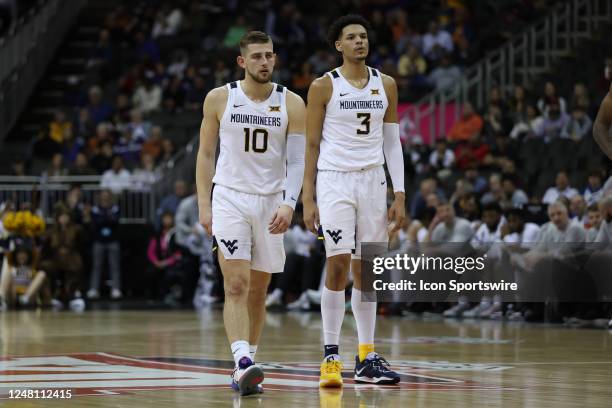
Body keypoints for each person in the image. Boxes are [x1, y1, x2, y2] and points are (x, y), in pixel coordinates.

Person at [195, 31, 305, 396]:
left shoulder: (292, 102)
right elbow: (206, 154)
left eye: (269, 56)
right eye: (256, 56)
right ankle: (241, 359)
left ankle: (247, 365)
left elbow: (298, 161)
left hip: (272, 201)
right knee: (236, 284)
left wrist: (290, 203)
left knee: (259, 290)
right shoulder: (220, 98)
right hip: (230, 198)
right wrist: (205, 204)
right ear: (242, 61)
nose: (264, 62)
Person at [302, 15, 404, 387]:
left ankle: (366, 357)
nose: (360, 41)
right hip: (334, 182)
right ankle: (330, 356)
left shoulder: (386, 84)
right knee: (338, 266)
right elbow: (310, 145)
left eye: (363, 36)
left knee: (368, 273)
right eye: (351, 37)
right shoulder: (323, 86)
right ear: (338, 45)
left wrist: (400, 193)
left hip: (373, 182)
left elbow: (392, 141)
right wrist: (307, 197)